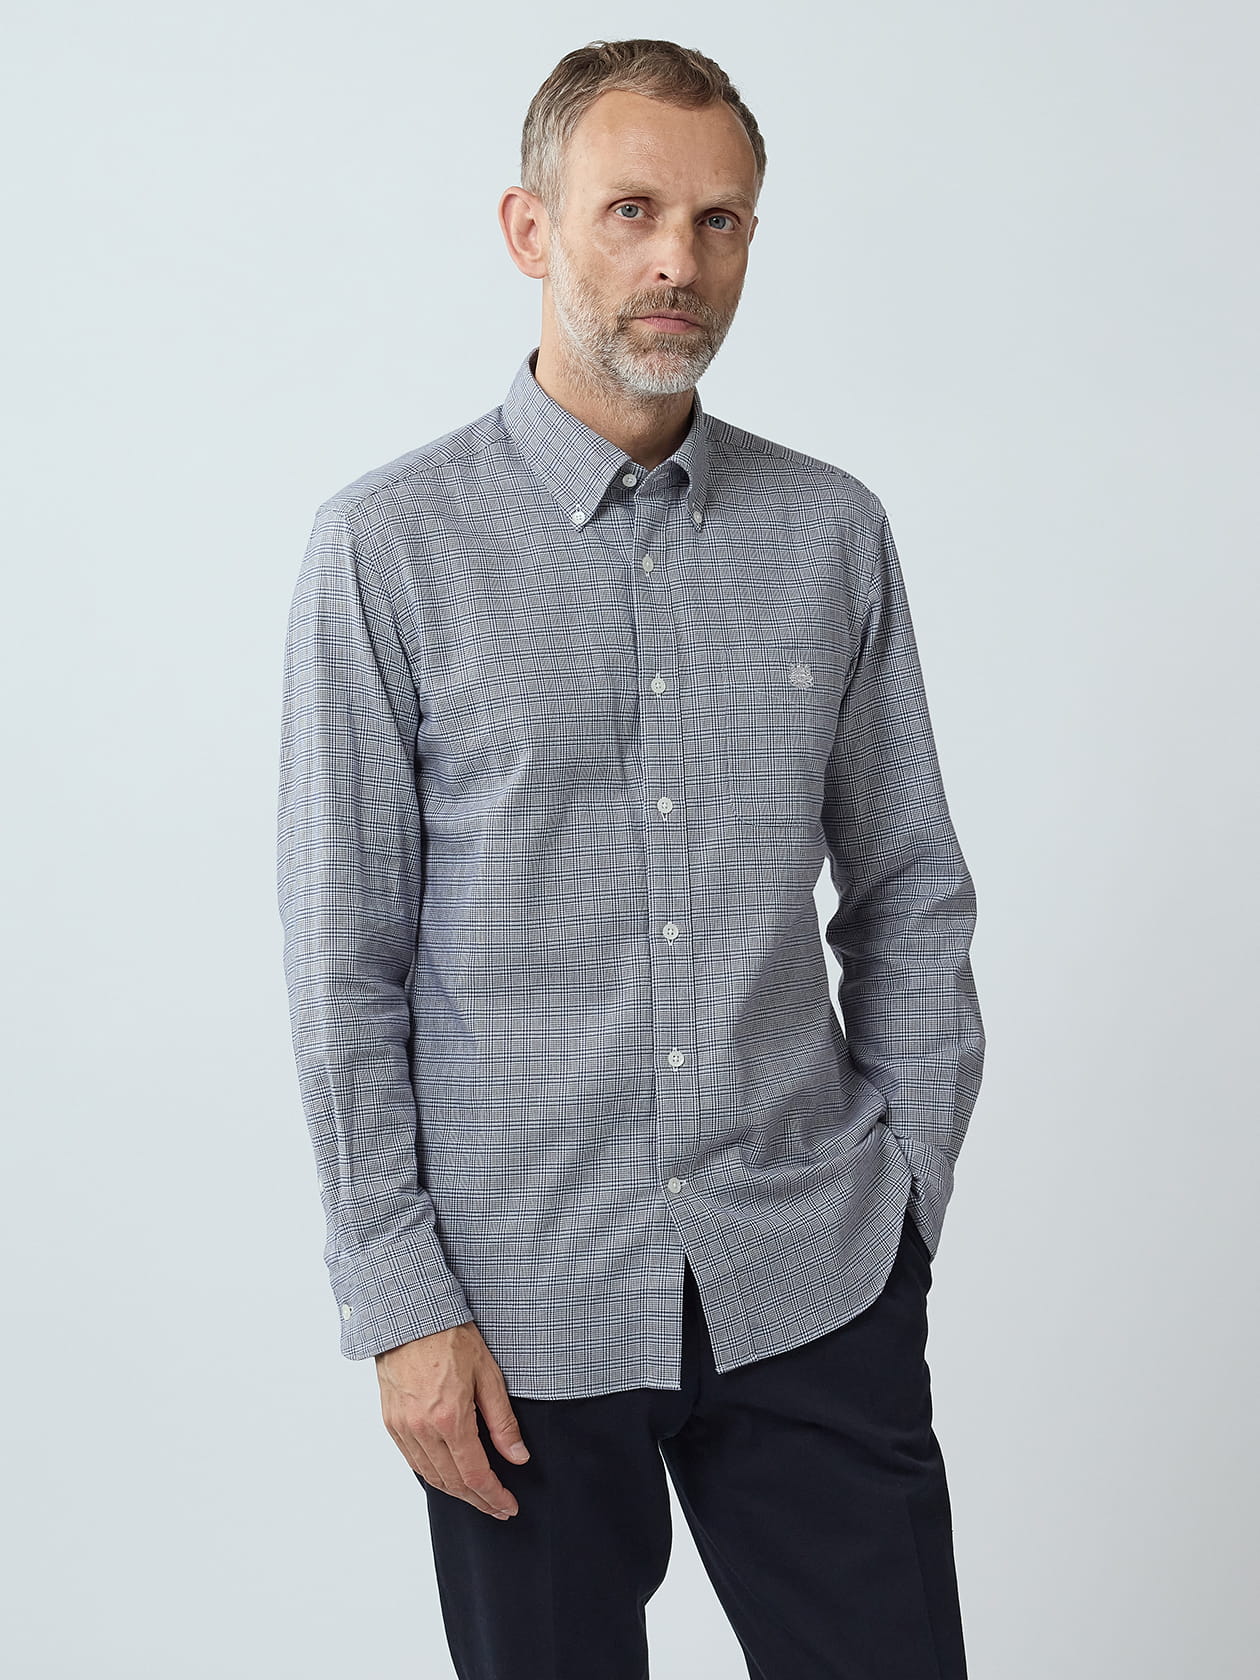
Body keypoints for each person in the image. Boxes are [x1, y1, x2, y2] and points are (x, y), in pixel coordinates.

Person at [276, 35, 985, 1680]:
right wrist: (401, 1302)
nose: (679, 260)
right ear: (530, 229)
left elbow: (912, 891)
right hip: (513, 1314)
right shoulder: (388, 549)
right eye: (633, 211)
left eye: (720, 221)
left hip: (810, 1276)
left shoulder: (831, 532)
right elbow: (343, 958)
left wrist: (904, 1213)